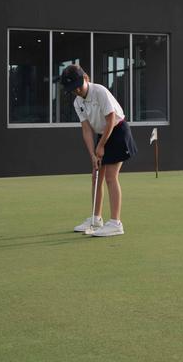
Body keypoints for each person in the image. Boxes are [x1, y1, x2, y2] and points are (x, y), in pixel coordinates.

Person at [64, 64, 136, 237]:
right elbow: (86, 129)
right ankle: (96, 219)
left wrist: (101, 146)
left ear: (86, 78)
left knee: (111, 177)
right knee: (96, 177)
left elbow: (111, 119)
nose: (77, 90)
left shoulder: (100, 91)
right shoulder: (78, 102)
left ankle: (115, 223)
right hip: (102, 135)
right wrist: (92, 154)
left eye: (78, 86)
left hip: (117, 131)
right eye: (72, 89)